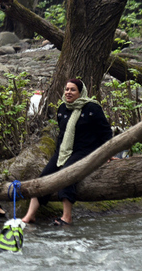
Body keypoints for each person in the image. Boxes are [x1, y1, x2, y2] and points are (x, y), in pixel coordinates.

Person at [21, 78, 112, 226]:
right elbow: (62, 133)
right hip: (63, 150)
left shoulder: (92, 108)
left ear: (80, 92)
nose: (68, 92)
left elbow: (106, 132)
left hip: (85, 151)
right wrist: (59, 153)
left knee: (67, 174)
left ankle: (66, 217)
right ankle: (30, 216)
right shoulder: (62, 108)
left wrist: (107, 154)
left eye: (73, 90)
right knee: (43, 178)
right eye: (67, 89)